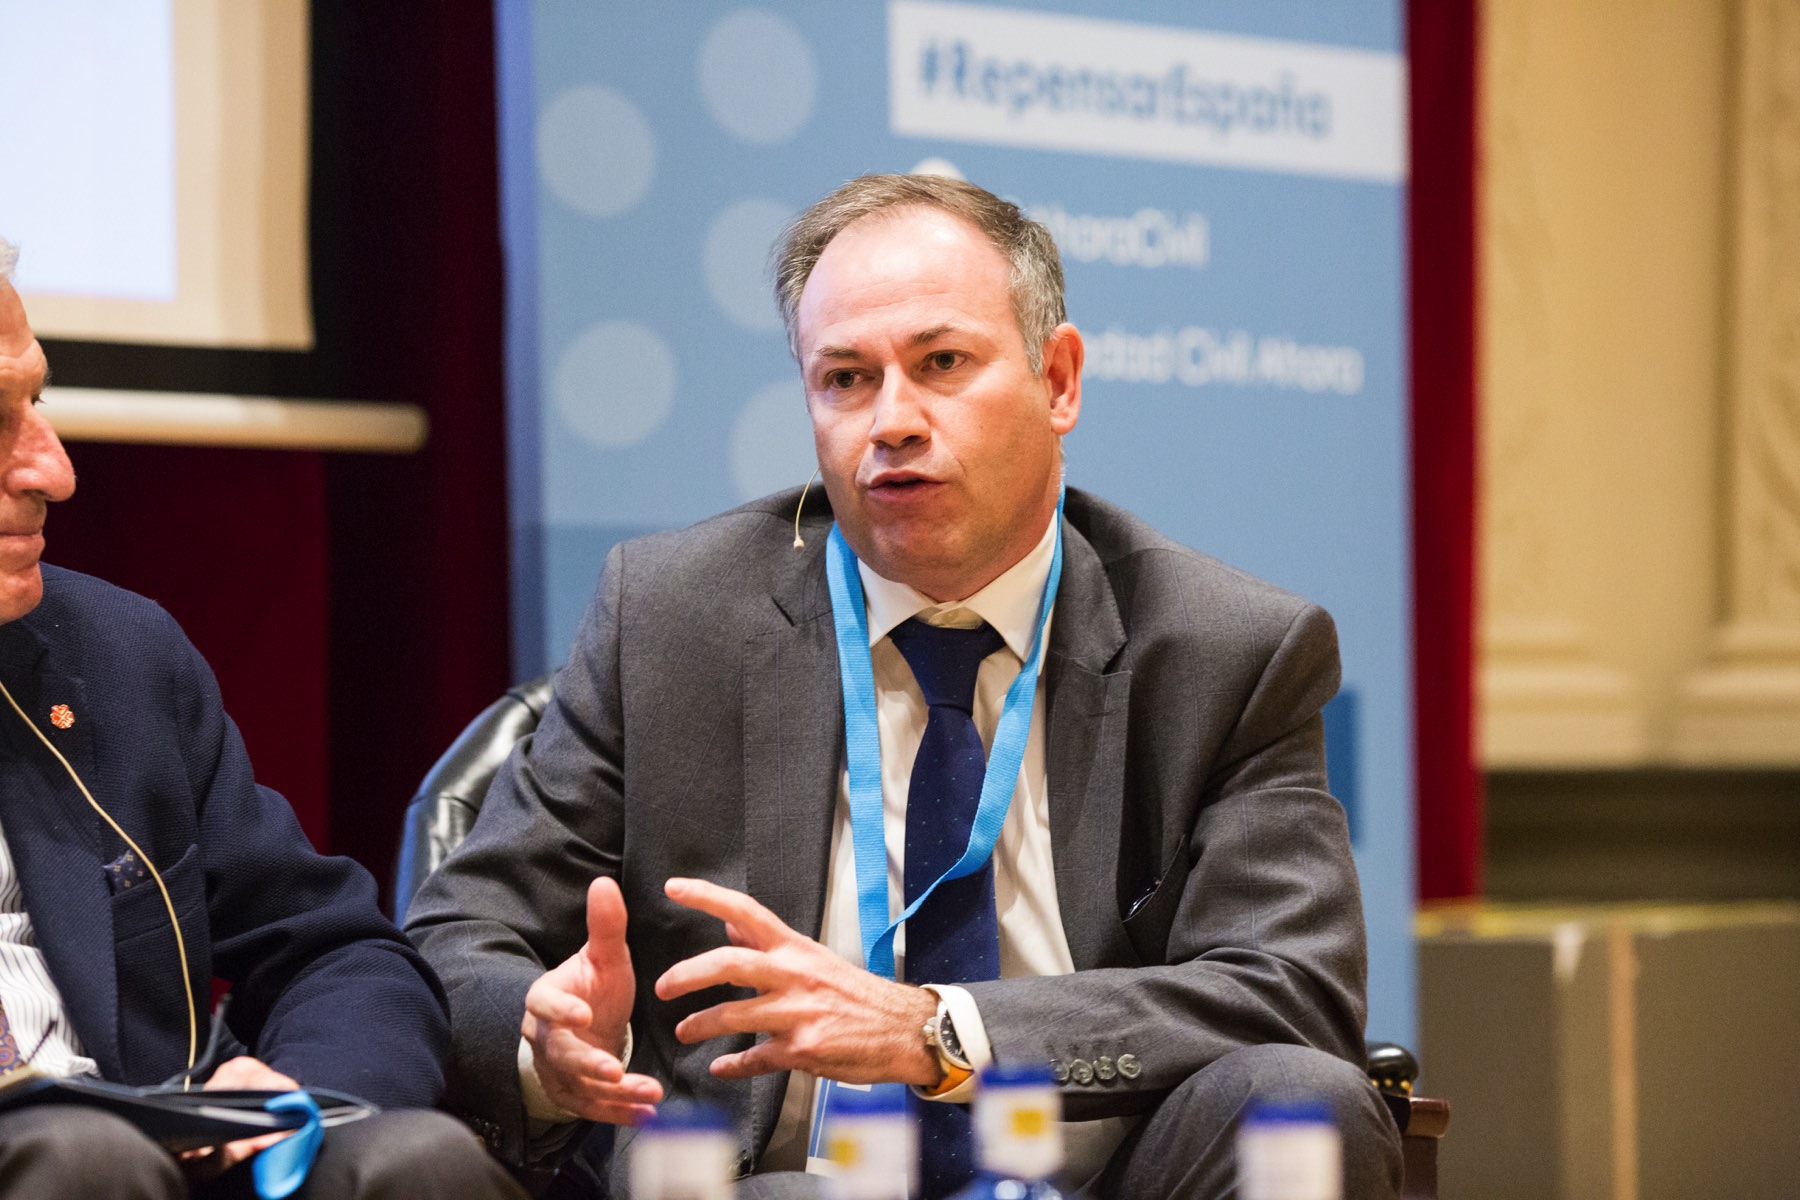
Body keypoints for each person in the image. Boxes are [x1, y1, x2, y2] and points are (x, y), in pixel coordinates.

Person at [405, 175, 1402, 1198]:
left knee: (1305, 1107)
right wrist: (550, 1037)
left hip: (1103, 1179)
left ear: (1058, 381)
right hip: (786, 1184)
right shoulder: (671, 619)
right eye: (845, 378)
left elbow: (1289, 990)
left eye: (942, 364)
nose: (892, 421)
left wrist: (939, 1030)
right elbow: (456, 939)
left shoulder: (1223, 651)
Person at [0, 240, 525, 1199]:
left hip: (159, 1156)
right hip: (76, 1165)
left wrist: (298, 1091)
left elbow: (337, 951)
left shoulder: (113, 657)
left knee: (420, 1162)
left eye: (38, 403)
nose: (54, 470)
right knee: (82, 1158)